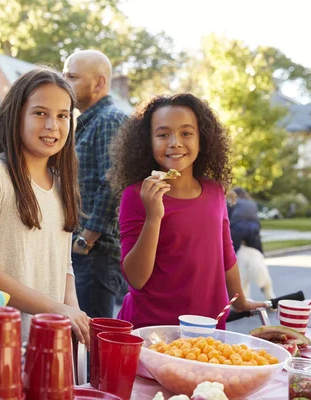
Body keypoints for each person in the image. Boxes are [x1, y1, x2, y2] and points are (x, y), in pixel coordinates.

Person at [107, 93, 265, 330]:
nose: (175, 142)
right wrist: (154, 216)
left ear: (202, 139)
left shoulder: (214, 192)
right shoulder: (137, 195)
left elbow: (226, 254)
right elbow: (137, 279)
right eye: (162, 134)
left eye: (186, 133)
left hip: (208, 329)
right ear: (147, 142)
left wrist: (239, 301)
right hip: (152, 330)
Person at [0, 68, 89, 346]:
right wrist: (56, 310)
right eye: (40, 113)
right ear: (16, 115)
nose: (53, 125)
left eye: (62, 115)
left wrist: (73, 316)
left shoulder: (63, 183)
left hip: (51, 345)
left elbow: (64, 264)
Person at [62, 50, 128, 319]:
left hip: (95, 254)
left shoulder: (109, 120)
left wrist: (85, 240)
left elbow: (114, 184)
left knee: (91, 342)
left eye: (72, 77)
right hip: (82, 253)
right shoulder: (85, 123)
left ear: (99, 83)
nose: (64, 83)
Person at [230, 187, 264, 253]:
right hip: (254, 227)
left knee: (233, 251)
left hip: (238, 227)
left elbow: (227, 216)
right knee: (257, 251)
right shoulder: (252, 202)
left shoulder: (233, 202)